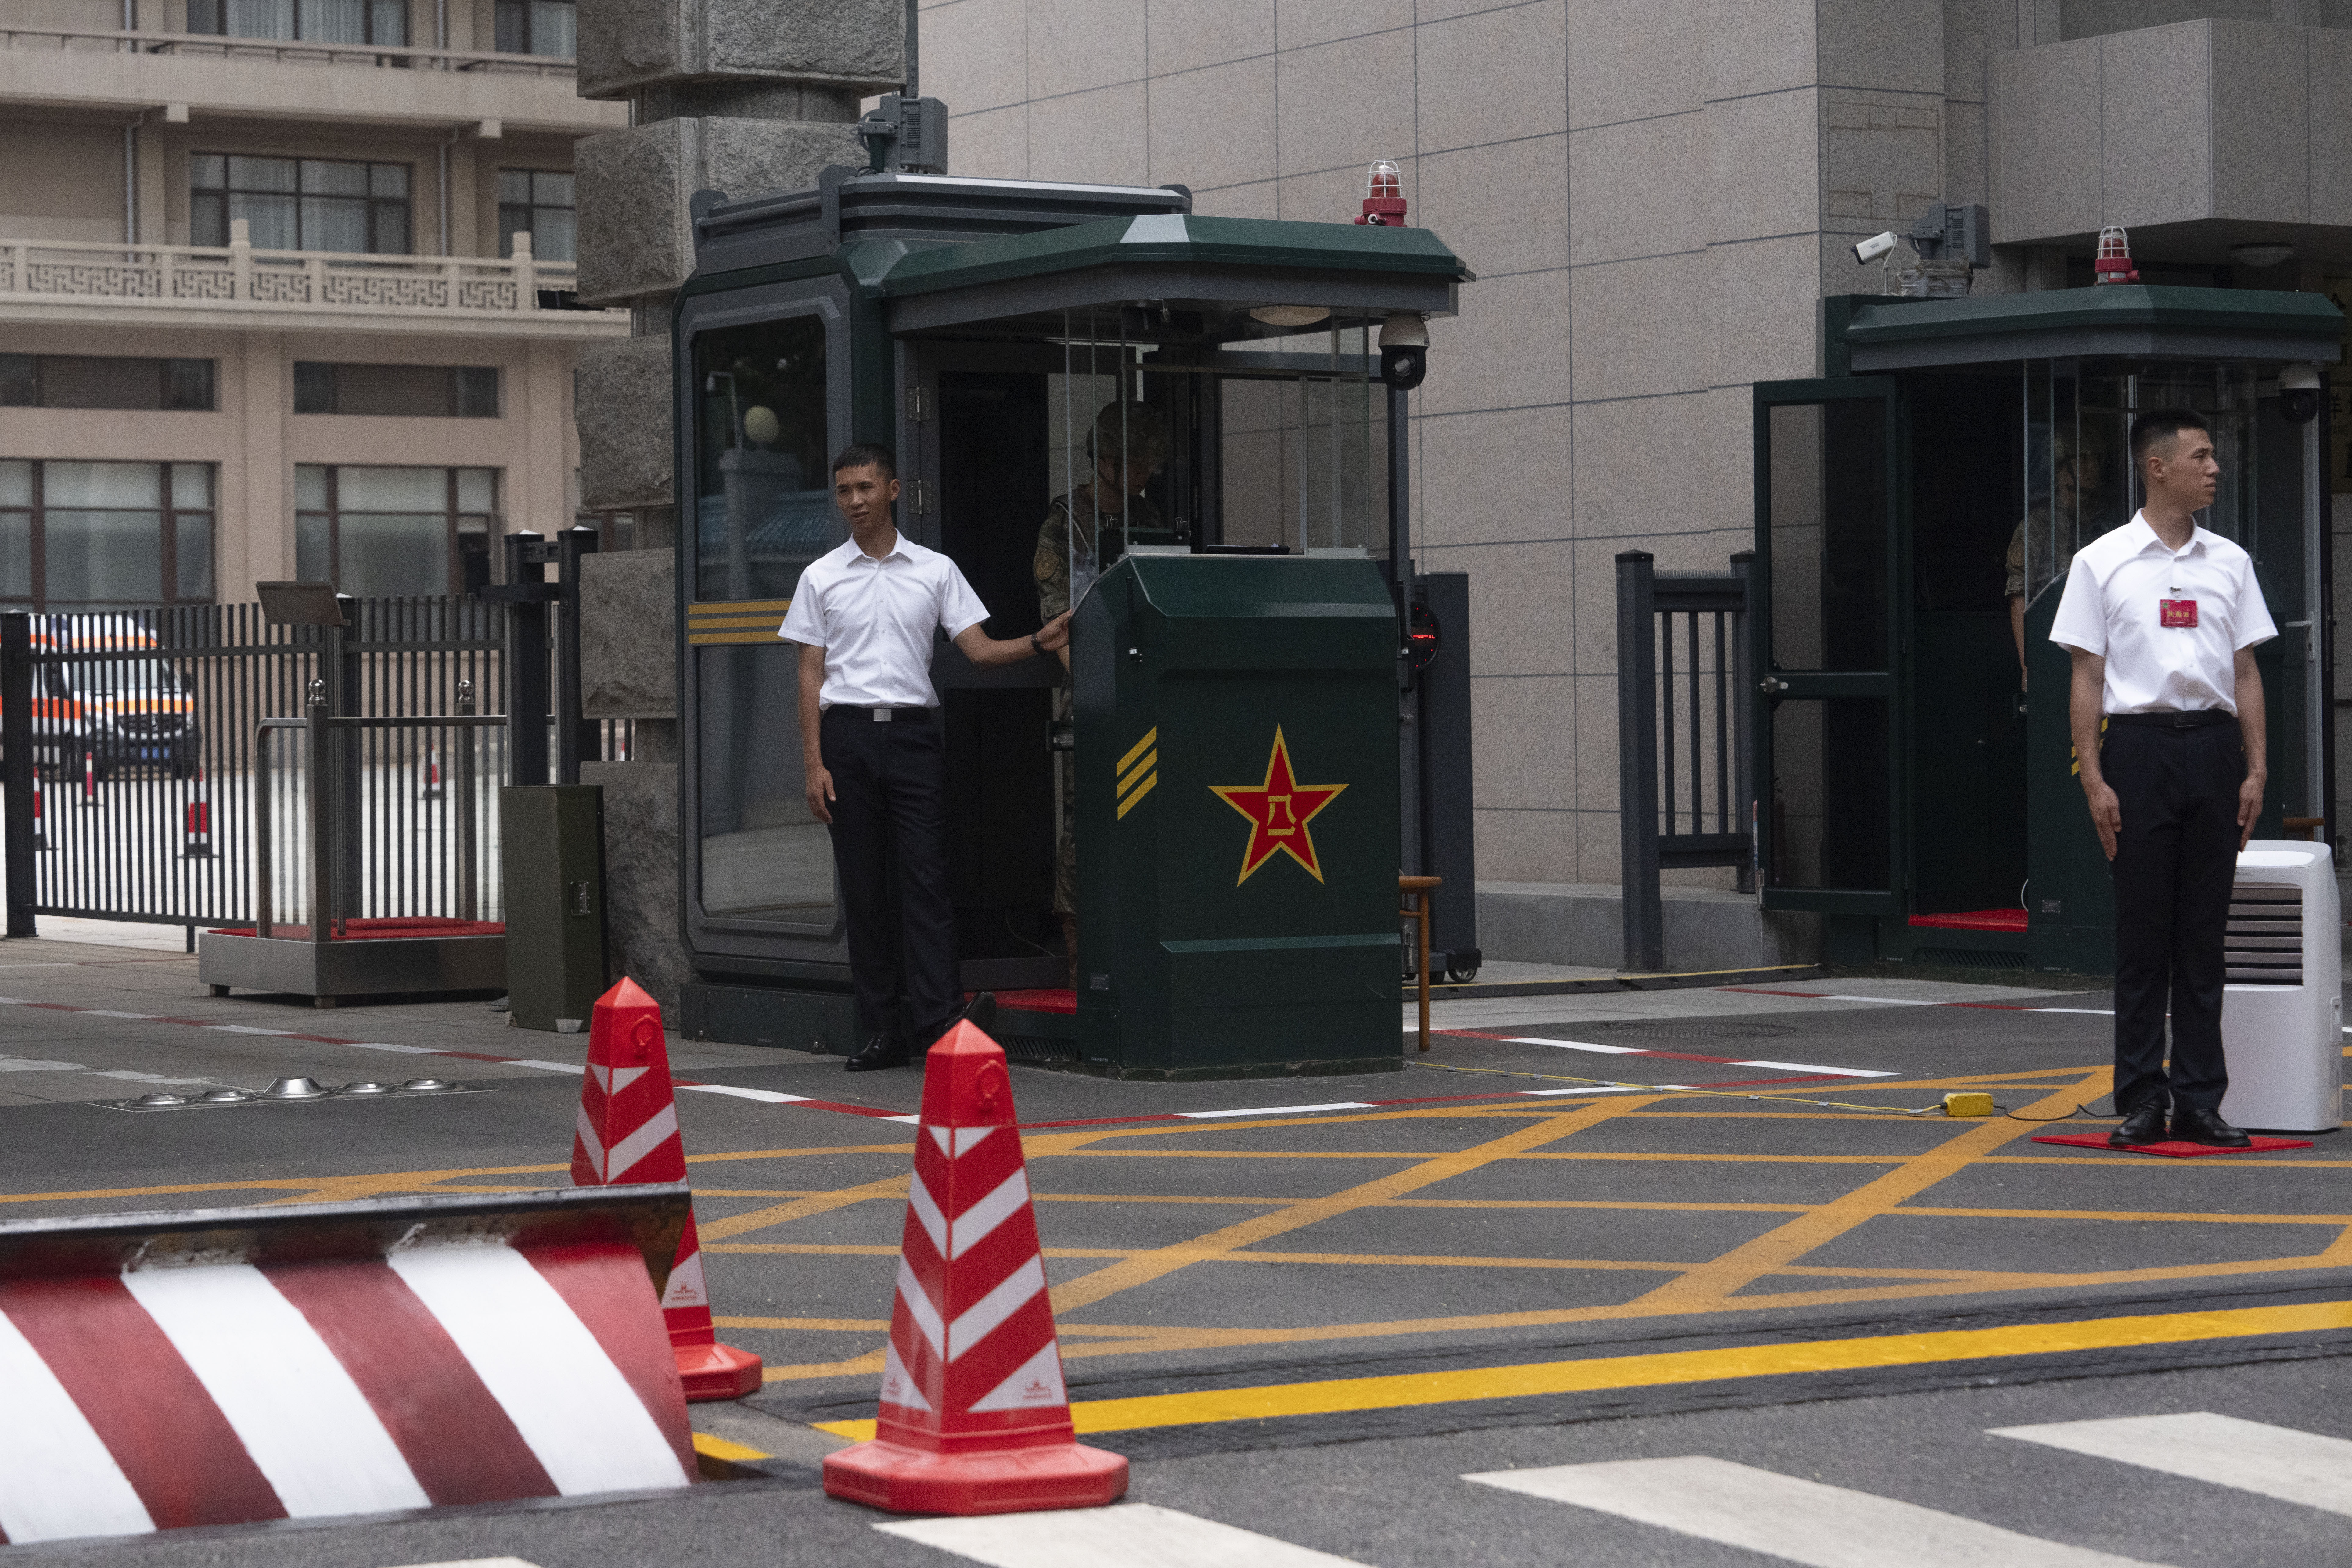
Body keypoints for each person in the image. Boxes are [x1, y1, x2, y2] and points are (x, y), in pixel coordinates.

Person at [782, 443, 1074, 1070]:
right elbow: (810, 676)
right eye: (843, 490)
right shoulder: (821, 576)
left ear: (892, 490)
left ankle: (942, 1020)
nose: (854, 500)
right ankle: (883, 1029)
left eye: (865, 487)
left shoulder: (936, 570)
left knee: (928, 881)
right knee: (863, 887)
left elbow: (979, 651)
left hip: (915, 737)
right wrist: (814, 763)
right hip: (848, 740)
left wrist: (1036, 642)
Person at [2049, 408, 2275, 1148]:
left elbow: (2245, 672)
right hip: (2139, 750)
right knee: (2144, 935)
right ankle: (2142, 1095)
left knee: (2204, 935)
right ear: (2157, 466)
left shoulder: (2231, 562)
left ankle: (2201, 1098)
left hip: (2212, 748)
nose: (2214, 469)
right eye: (2202, 456)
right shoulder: (2101, 561)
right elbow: (2087, 676)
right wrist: (2093, 777)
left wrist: (2257, 767)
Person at [1033, 402, 1169, 987]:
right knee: (1085, 822)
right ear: (1107, 460)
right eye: (1137, 462)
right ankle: (1080, 961)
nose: (1146, 474)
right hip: (1093, 693)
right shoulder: (1066, 522)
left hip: (1148, 692)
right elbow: (1057, 619)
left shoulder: (1150, 515)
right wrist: (1093, 691)